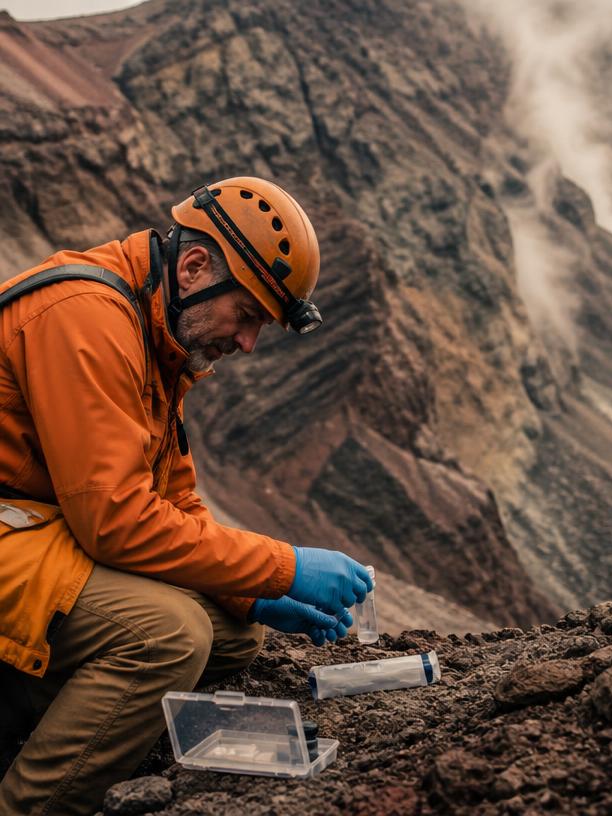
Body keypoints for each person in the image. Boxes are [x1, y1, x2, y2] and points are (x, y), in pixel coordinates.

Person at [0, 177, 372, 815]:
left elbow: (172, 501)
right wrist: (285, 565)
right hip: (24, 526)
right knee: (166, 636)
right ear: (196, 266)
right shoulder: (86, 317)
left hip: (29, 524)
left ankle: (33, 718)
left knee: (232, 632)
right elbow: (115, 522)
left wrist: (252, 591)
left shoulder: (157, 335)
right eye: (249, 315)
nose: (249, 343)